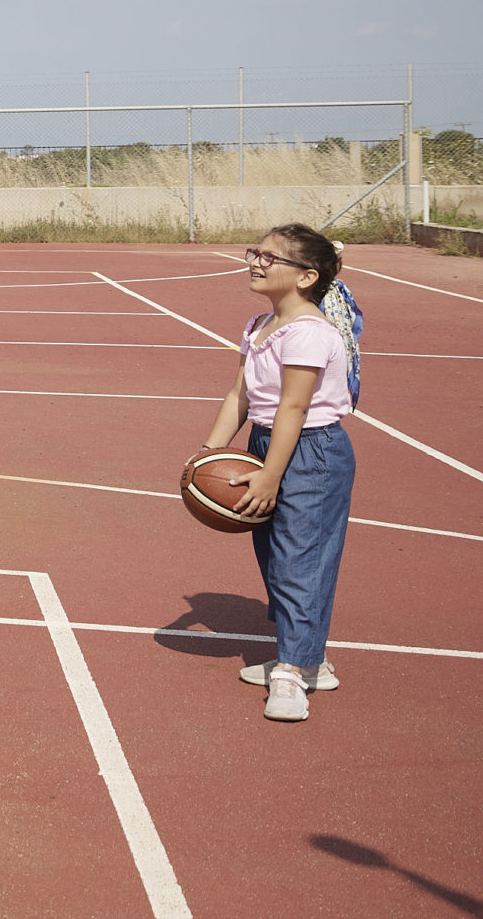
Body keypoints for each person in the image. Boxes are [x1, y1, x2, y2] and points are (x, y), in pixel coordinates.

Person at [200, 224, 358, 722]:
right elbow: (239, 396)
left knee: (300, 559)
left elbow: (293, 406)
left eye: (270, 258)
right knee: (273, 554)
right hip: (267, 441)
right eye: (255, 253)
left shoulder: (310, 332)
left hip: (311, 451)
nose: (255, 261)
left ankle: (294, 670)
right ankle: (308, 658)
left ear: (307, 276)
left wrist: (270, 475)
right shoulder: (258, 325)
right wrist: (208, 453)